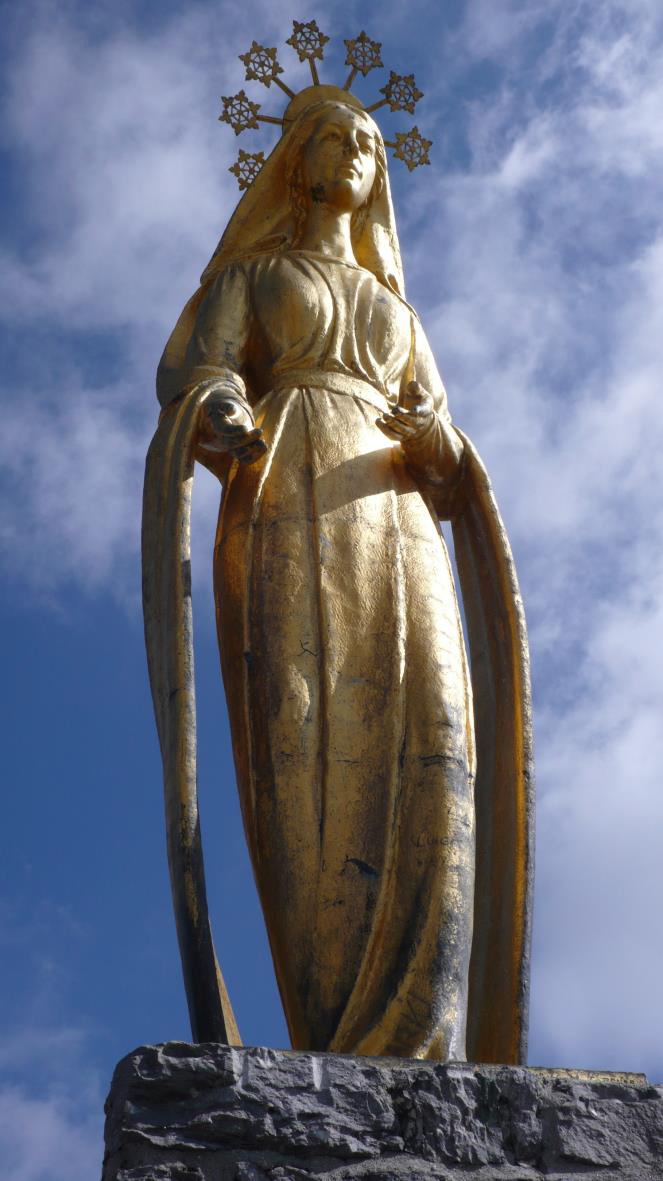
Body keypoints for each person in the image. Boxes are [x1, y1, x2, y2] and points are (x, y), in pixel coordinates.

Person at [143, 87, 534, 1064]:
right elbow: (197, 368)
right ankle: (335, 1027)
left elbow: (440, 435)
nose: (356, 151)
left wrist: (439, 439)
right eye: (334, 136)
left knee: (431, 730)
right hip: (288, 495)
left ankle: (426, 1035)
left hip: (397, 512)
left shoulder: (397, 310)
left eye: (369, 142)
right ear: (296, 160)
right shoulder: (255, 275)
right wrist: (219, 405)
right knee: (304, 731)